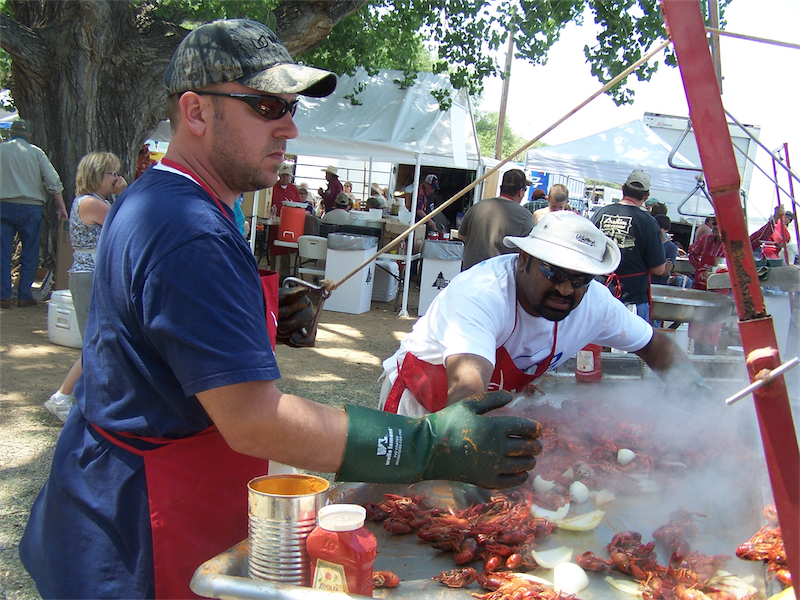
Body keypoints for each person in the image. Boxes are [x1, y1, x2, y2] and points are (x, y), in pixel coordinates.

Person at [20, 21, 542, 599]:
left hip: (127, 487)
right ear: (196, 111)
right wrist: (426, 444)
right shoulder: (187, 228)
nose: (289, 126)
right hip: (144, 520)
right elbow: (253, 419)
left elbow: (153, 341)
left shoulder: (159, 195)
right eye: (267, 105)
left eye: (290, 106)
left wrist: (261, 321)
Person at [379, 211, 708, 417]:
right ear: (523, 260)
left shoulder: (596, 303)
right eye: (554, 273)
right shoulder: (481, 293)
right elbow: (467, 389)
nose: (566, 290)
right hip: (421, 405)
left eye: (580, 279)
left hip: (488, 409)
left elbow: (656, 345)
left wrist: (690, 387)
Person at [44, 152, 128, 422]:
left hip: (92, 276)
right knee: (98, 341)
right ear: (97, 175)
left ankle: (79, 397)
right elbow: (128, 220)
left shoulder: (92, 202)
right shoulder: (91, 203)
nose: (117, 178)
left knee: (101, 341)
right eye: (112, 174)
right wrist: (125, 193)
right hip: (89, 276)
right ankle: (63, 397)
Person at [0, 119, 67, 309]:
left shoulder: (1, 150)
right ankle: (24, 295)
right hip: (31, 207)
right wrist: (61, 206)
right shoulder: (36, 153)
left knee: (3, 252)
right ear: (29, 136)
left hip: (4, 204)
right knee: (29, 252)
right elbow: (53, 180)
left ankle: (3, 295)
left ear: (10, 133)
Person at [591, 169, 666, 322]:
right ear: (646, 196)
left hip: (597, 295)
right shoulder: (649, 223)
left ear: (623, 189)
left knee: (594, 345)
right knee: (631, 345)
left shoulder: (600, 214)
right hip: (632, 300)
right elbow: (659, 269)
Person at [459, 168, 534, 270]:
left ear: (501, 188)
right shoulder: (525, 217)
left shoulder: (477, 207)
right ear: (521, 192)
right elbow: (529, 252)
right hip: (500, 278)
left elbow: (461, 236)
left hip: (470, 273)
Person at [687, 216, 727, 355]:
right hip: (700, 290)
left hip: (718, 295)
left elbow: (754, 241)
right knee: (697, 332)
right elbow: (692, 252)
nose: (715, 228)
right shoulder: (705, 240)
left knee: (710, 334)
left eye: (719, 226)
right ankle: (698, 362)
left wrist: (774, 220)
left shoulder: (733, 245)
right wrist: (699, 267)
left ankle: (707, 365)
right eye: (714, 225)